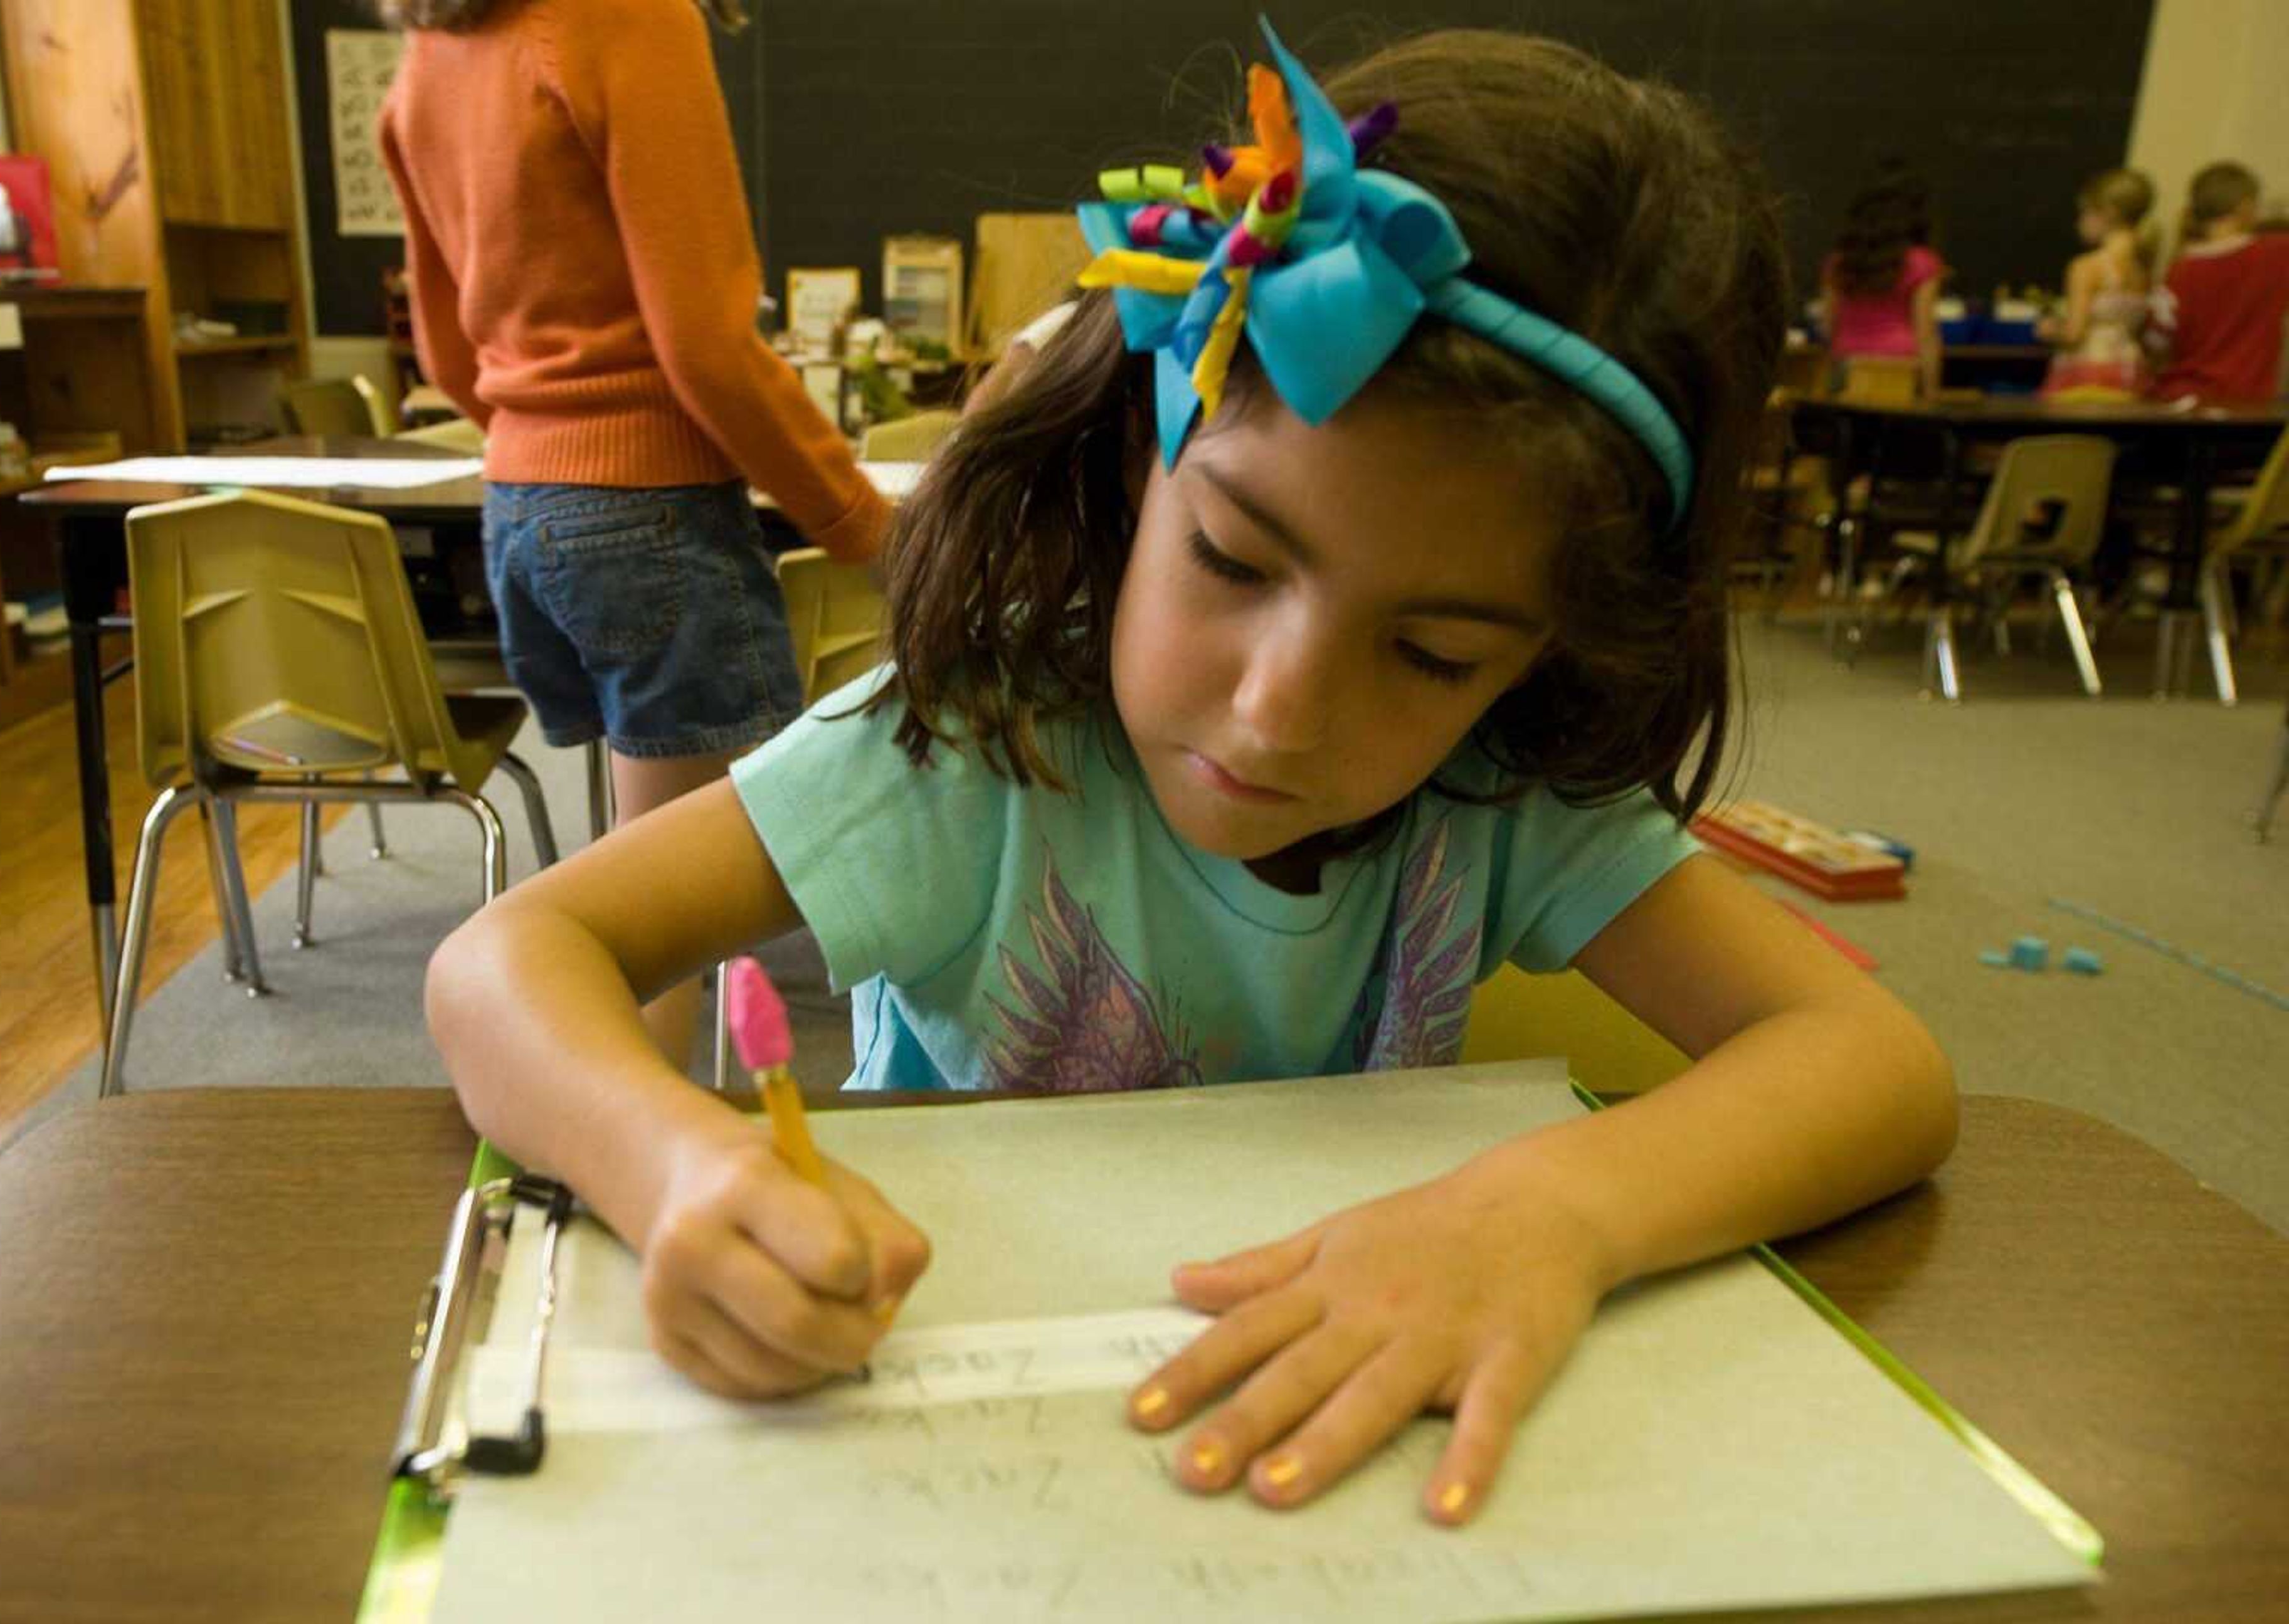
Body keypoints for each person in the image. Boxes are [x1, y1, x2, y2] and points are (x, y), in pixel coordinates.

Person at [426, 24, 1956, 1527]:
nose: (1278, 714)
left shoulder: (1509, 790)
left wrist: (1552, 1214)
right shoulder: (972, 744)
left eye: (1430, 654)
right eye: (1230, 556)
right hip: (958, 1450)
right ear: (1126, 465)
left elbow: (1874, 1068)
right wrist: (673, 1167)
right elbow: (505, 963)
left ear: (1547, 657)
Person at [378, 0, 887, 1066]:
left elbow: (443, 351)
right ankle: (618, 1167)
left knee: (631, 876)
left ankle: (602, 1134)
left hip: (522, 513)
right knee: (658, 932)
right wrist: (863, 525)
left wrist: (547, 452)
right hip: (645, 510)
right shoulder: (627, 18)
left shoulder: (428, 63)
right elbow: (704, 343)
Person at [2152, 161, 2289, 402]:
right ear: (2245, 206)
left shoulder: (2180, 270)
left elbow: (2158, 340)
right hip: (2248, 398)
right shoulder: (2276, 256)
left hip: (2186, 396)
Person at [1821, 163, 1947, 396]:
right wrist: (1931, 391)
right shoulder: (1923, 262)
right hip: (1900, 371)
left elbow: (1828, 324)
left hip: (1847, 368)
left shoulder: (1839, 262)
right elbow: (1926, 332)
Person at [2039, 168, 2157, 401]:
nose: (2079, 222)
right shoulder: (2143, 268)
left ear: (2107, 214)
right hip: (2132, 371)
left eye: (2085, 213)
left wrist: (2049, 330)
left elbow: (2075, 334)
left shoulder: (2086, 267)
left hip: (2089, 374)